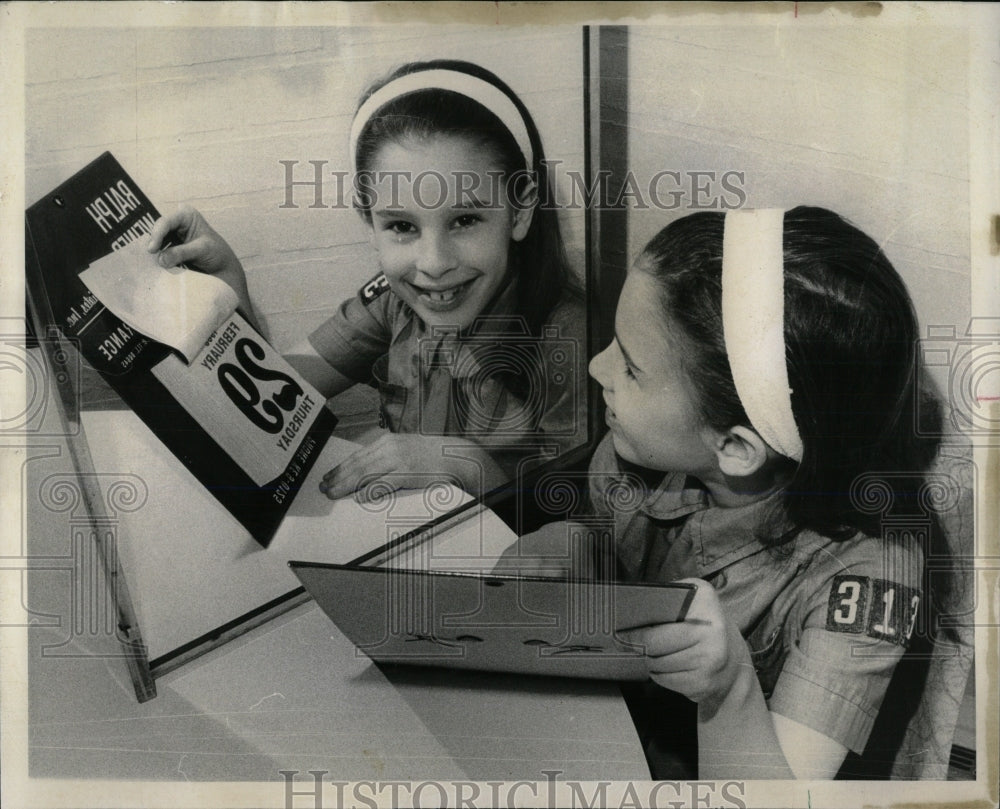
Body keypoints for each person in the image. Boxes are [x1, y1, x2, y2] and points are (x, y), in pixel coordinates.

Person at [497, 207, 948, 779]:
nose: (596, 366)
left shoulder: (871, 580)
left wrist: (730, 687)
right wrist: (577, 547)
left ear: (735, 448)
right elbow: (611, 539)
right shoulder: (644, 450)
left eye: (631, 368)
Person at [147, 60, 585, 500]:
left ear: (521, 211)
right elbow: (277, 395)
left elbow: (578, 519)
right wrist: (227, 284)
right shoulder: (391, 301)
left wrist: (466, 463)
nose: (433, 264)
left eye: (465, 219)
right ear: (368, 221)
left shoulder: (569, 331)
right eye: (401, 226)